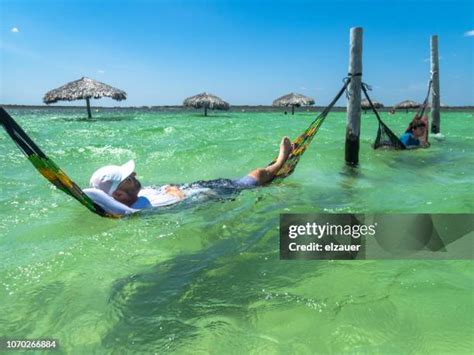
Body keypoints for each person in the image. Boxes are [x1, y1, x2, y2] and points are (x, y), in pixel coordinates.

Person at [87, 137, 294, 212]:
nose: (135, 175)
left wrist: (169, 187)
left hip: (198, 187)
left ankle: (269, 179)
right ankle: (280, 161)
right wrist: (174, 190)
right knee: (254, 176)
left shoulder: (135, 198)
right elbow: (178, 200)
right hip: (209, 195)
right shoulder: (140, 207)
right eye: (129, 178)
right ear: (120, 196)